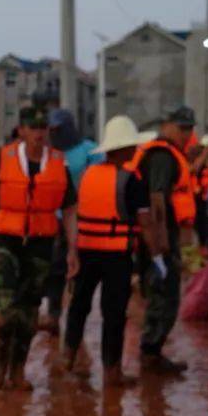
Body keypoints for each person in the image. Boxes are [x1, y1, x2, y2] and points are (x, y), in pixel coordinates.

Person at [0, 107, 79, 390]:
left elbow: (69, 209)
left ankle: (18, 369)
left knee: (29, 309)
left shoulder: (59, 163)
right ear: (22, 130)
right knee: (6, 307)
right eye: (33, 128)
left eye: (43, 128)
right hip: (5, 239)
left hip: (41, 242)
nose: (39, 134)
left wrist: (73, 249)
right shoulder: (3, 160)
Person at [64, 116, 159, 388]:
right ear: (125, 149)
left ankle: (67, 360)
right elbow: (145, 223)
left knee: (78, 307)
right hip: (116, 255)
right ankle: (112, 372)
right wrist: (156, 256)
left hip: (86, 250)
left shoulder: (87, 175)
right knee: (113, 314)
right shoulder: (131, 180)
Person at [126, 106, 198, 375]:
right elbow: (156, 199)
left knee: (159, 293)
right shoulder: (162, 157)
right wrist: (161, 244)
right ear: (166, 125)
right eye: (181, 128)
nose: (186, 134)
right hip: (157, 239)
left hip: (152, 237)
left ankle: (151, 352)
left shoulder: (164, 154)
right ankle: (150, 354)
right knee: (164, 295)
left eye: (189, 129)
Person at [38, 109, 103, 333]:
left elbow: (99, 181)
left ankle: (76, 315)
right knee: (55, 266)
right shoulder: (48, 153)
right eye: (52, 130)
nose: (56, 134)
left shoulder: (90, 151)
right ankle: (53, 314)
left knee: (79, 268)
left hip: (83, 217)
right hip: (53, 217)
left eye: (59, 130)